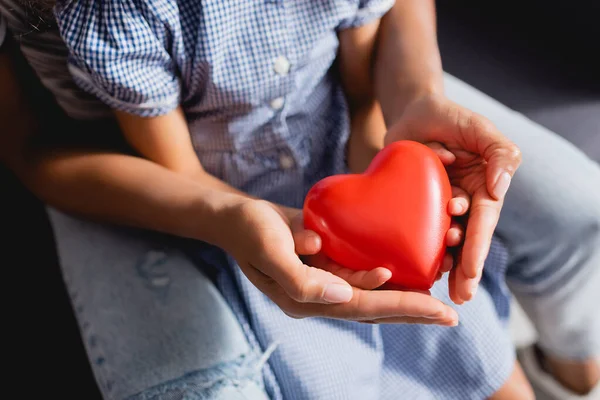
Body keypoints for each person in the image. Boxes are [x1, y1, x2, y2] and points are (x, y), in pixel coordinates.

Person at [1, 1, 598, 399]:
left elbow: (364, 91)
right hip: (223, 193)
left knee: (465, 333)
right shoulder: (120, 15)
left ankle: (559, 374)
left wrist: (388, 150)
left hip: (333, 135)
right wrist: (233, 217)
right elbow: (173, 168)